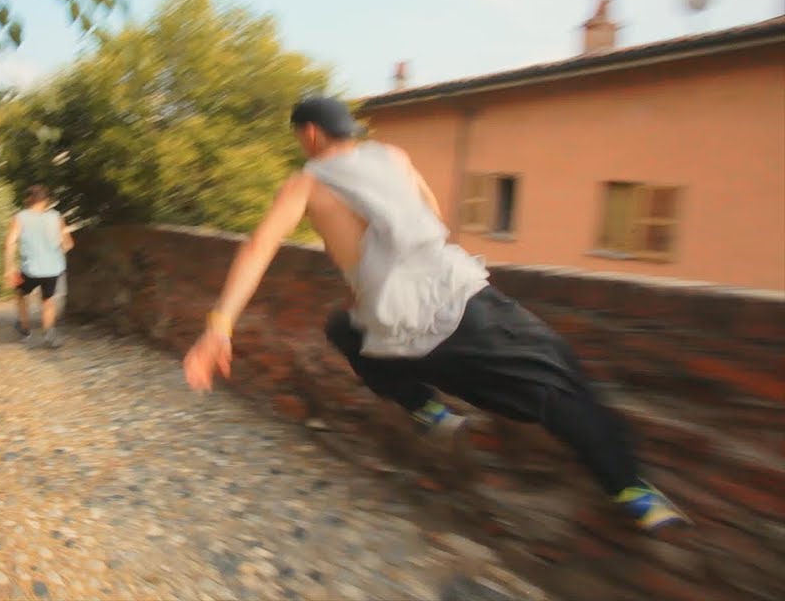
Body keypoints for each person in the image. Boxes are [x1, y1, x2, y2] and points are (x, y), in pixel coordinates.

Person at [181, 96, 690, 533]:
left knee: (344, 328)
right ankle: (631, 491)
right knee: (559, 378)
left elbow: (257, 249)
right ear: (346, 132)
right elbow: (434, 219)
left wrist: (219, 327)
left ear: (309, 134)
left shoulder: (307, 183)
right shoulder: (394, 157)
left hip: (394, 331)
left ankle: (427, 409)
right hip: (461, 307)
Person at [4, 185, 74, 348]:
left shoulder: (20, 217)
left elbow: (9, 243)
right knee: (48, 300)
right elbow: (69, 244)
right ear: (46, 200)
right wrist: (55, 251)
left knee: (21, 293)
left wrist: (9, 268)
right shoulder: (57, 217)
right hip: (52, 268)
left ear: (28, 200)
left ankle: (25, 328)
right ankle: (49, 333)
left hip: (30, 269)